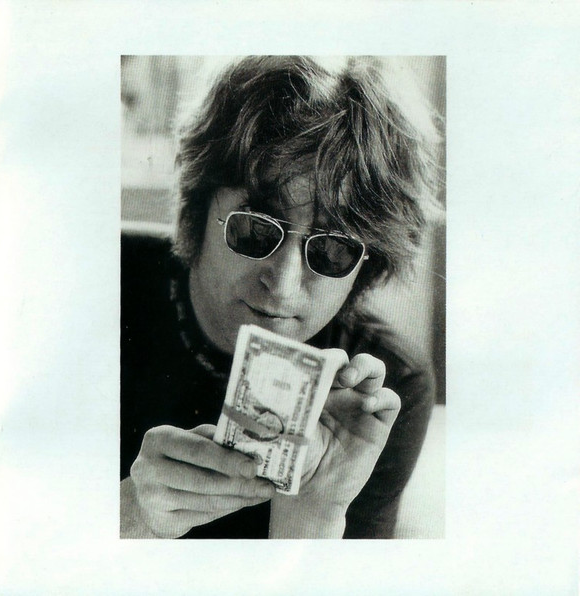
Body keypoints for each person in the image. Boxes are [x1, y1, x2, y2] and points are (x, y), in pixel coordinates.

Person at [120, 56, 443, 539]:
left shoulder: (383, 389)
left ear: (366, 267)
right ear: (198, 205)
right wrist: (126, 518)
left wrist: (316, 510)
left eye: (332, 251)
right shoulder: (101, 282)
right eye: (255, 229)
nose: (284, 284)